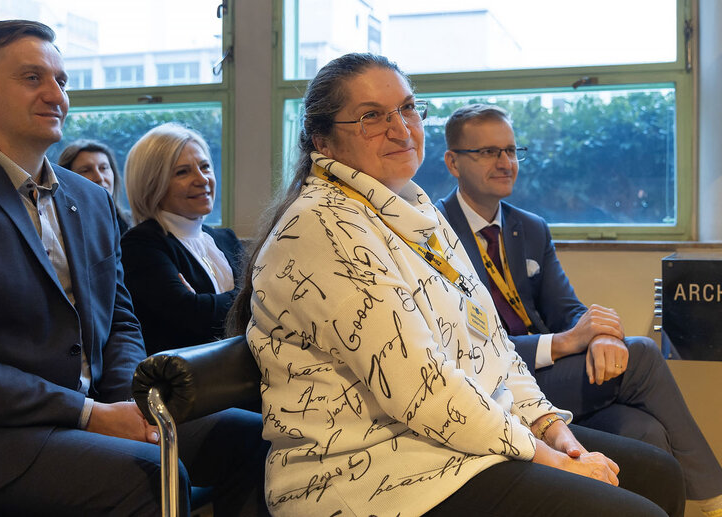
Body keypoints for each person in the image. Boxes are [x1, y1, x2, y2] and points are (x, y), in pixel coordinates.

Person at [227, 52, 684, 517]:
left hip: (459, 444)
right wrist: (553, 461)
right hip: (374, 476)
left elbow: (495, 346)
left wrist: (553, 430)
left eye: (407, 108)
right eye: (371, 117)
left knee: (657, 474)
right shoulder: (322, 228)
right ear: (322, 141)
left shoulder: (414, 208)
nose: (401, 129)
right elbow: (421, 389)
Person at [0, 19, 266, 516]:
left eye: (61, 81)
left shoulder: (89, 198)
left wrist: (130, 404)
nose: (55, 95)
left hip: (93, 408)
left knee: (254, 438)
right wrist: (90, 415)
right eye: (32, 78)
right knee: (148, 475)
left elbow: (120, 321)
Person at [435, 102, 722, 517]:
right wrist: (566, 342)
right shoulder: (436, 233)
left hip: (549, 375)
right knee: (642, 353)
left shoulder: (530, 227)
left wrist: (600, 334)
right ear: (453, 162)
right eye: (488, 152)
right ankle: (714, 500)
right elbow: (465, 343)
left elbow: (568, 308)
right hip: (495, 384)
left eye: (511, 150)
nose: (505, 162)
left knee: (644, 429)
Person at [121, 123, 243, 354]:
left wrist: (209, 303)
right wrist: (249, 296)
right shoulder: (140, 244)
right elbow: (194, 317)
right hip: (183, 374)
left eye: (205, 167)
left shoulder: (226, 238)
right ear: (153, 183)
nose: (202, 179)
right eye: (182, 172)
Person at [58, 139, 132, 233]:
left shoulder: (133, 224)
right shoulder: (60, 231)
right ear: (66, 180)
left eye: (104, 168)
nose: (99, 177)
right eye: (86, 170)